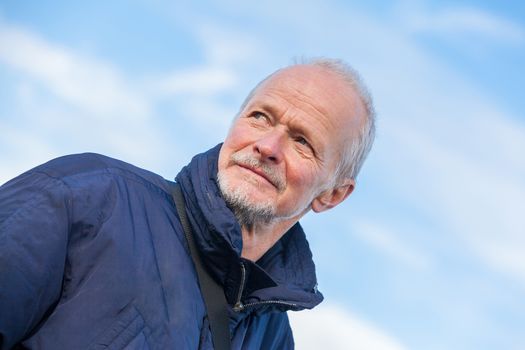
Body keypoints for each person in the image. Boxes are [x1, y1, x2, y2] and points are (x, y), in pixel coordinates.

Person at [0, 58, 375, 349]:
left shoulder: (273, 341)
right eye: (260, 117)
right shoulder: (88, 195)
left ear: (332, 195)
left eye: (302, 142)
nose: (267, 147)